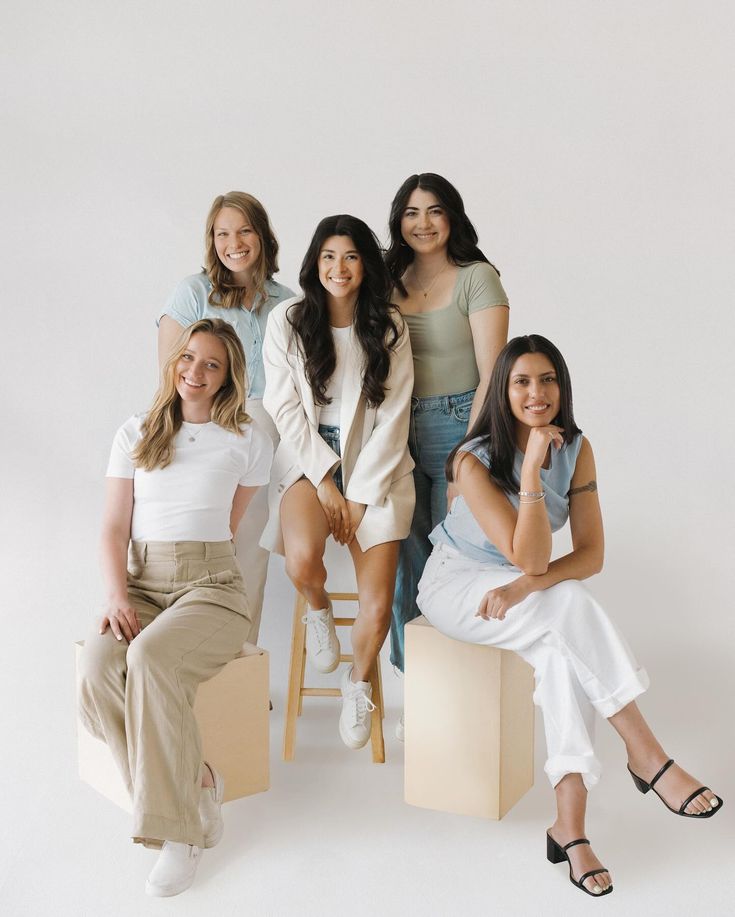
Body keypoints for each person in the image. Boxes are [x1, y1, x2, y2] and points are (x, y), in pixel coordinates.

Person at [416, 333, 723, 898]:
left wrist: (521, 589)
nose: (538, 393)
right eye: (522, 381)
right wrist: (531, 471)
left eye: (548, 379)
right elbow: (531, 555)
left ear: (563, 385)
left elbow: (590, 556)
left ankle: (569, 826)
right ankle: (647, 755)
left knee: (560, 647)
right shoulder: (471, 460)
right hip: (456, 582)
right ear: (503, 391)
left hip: (516, 588)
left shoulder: (579, 449)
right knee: (568, 605)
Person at [78, 319, 273, 897]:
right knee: (94, 670)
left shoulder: (248, 440)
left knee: (151, 659)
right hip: (139, 582)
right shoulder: (135, 432)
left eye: (211, 364)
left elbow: (228, 530)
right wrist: (117, 596)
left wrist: (196, 574)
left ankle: (178, 834)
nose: (195, 371)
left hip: (211, 584)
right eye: (188, 358)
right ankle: (196, 784)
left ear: (227, 376)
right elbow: (113, 528)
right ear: (174, 362)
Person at [261, 214, 415, 750]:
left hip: (379, 470)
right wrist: (327, 481)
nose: (339, 267)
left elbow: (395, 418)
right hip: (309, 461)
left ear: (365, 265)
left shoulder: (389, 324)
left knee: (377, 605)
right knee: (301, 559)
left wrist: (359, 494)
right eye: (329, 256)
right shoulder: (288, 320)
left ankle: (358, 686)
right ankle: (319, 611)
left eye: (350, 256)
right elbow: (282, 406)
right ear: (314, 263)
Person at [384, 173, 510, 716]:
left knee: (449, 560)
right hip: (395, 428)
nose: (423, 223)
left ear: (452, 216)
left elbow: (493, 373)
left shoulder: (477, 278)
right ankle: (418, 692)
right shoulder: (387, 277)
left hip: (460, 422)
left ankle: (456, 691)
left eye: (434, 211)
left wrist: (467, 453)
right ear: (399, 221)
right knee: (401, 558)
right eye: (412, 213)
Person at [157, 191, 294, 643]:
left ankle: (241, 660)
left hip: (263, 434)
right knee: (199, 544)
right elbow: (170, 374)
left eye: (243, 231)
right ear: (211, 240)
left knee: (249, 550)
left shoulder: (287, 303)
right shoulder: (193, 292)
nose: (233, 242)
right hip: (202, 427)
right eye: (222, 233)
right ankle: (183, 653)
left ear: (262, 235)